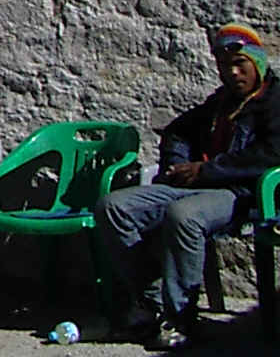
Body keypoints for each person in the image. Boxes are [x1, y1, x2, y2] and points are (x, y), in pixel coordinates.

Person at [97, 21, 280, 349]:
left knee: (184, 215)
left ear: (257, 64)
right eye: (225, 66)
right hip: (196, 182)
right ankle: (153, 304)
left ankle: (181, 316)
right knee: (114, 208)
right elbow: (176, 131)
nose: (233, 73)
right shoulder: (220, 102)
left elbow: (268, 155)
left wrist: (207, 170)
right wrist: (173, 167)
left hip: (240, 193)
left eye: (241, 65)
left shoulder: (273, 103)